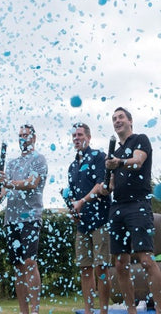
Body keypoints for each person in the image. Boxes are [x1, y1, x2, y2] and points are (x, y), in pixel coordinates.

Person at [99, 107, 161, 314]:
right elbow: (111, 186)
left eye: (121, 117)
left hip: (138, 204)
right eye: (114, 118)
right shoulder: (114, 153)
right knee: (120, 263)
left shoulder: (140, 140)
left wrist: (120, 163)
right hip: (117, 207)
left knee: (145, 259)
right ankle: (131, 310)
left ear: (130, 121)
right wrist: (103, 188)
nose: (117, 121)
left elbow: (137, 162)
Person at [0, 124, 48, 314]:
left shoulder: (38, 159)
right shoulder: (12, 163)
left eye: (26, 135)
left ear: (34, 137)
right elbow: (6, 190)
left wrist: (9, 183)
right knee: (18, 266)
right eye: (20, 135)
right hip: (11, 219)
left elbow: (32, 183)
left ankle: (35, 310)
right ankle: (24, 311)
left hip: (30, 217)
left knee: (29, 263)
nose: (23, 138)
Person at [67, 123, 111, 314]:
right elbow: (72, 195)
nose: (76, 138)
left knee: (101, 268)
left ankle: (103, 310)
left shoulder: (99, 156)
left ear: (89, 137)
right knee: (85, 269)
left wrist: (82, 202)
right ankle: (88, 310)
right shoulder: (72, 166)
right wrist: (73, 209)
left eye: (80, 135)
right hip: (82, 224)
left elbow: (100, 184)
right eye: (74, 136)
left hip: (101, 219)